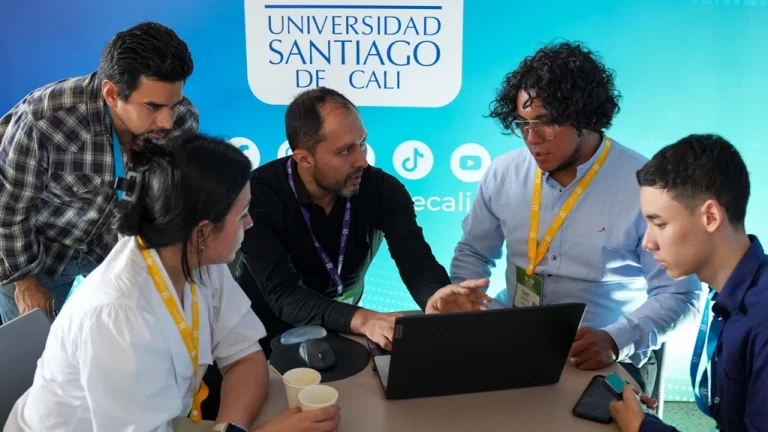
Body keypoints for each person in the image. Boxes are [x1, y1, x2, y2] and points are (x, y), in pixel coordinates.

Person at [3, 133, 341, 432]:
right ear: (202, 232)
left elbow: (244, 356)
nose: (250, 223)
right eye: (242, 215)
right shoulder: (118, 316)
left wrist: (230, 430)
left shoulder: (192, 254)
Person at [449, 41, 702, 395]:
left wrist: (616, 339)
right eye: (523, 124)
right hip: (513, 337)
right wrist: (469, 308)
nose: (532, 139)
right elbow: (473, 253)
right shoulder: (503, 173)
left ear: (585, 117)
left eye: (546, 124)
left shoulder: (648, 186)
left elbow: (681, 295)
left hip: (606, 353)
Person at [237, 87, 491, 351]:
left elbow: (415, 260)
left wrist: (435, 296)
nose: (362, 161)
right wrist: (364, 319)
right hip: (260, 333)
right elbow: (283, 294)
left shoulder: (383, 190)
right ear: (305, 158)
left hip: (341, 328)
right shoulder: (257, 196)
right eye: (345, 151)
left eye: (362, 143)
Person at [0, 21, 199, 324]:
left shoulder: (182, 121)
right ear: (111, 93)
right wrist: (25, 282)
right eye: (153, 107)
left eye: (174, 105)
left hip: (112, 251)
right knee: (30, 346)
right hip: (36, 253)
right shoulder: (46, 119)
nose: (167, 121)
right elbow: (8, 209)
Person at [609, 134, 768, 432]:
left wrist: (643, 428)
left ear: (710, 216)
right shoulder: (729, 295)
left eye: (659, 224)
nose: (647, 243)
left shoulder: (762, 318)